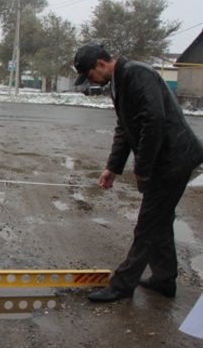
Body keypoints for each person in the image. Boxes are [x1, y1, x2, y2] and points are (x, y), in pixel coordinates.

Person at [73, 43, 203, 302]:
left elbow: (153, 121)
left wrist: (142, 169)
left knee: (147, 224)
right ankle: (164, 280)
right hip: (165, 161)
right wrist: (112, 167)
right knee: (160, 221)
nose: (92, 81)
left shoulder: (137, 74)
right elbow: (125, 128)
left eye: (90, 76)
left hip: (174, 160)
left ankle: (122, 285)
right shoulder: (120, 81)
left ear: (100, 64)